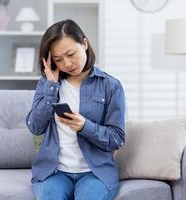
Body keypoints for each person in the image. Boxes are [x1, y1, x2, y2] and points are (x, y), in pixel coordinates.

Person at [26, 19, 125, 200]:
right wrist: (51, 86)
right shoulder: (47, 84)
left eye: (71, 54)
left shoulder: (110, 86)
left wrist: (84, 126)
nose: (67, 64)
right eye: (58, 59)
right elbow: (35, 127)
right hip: (53, 172)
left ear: (85, 44)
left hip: (95, 173)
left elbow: (116, 139)